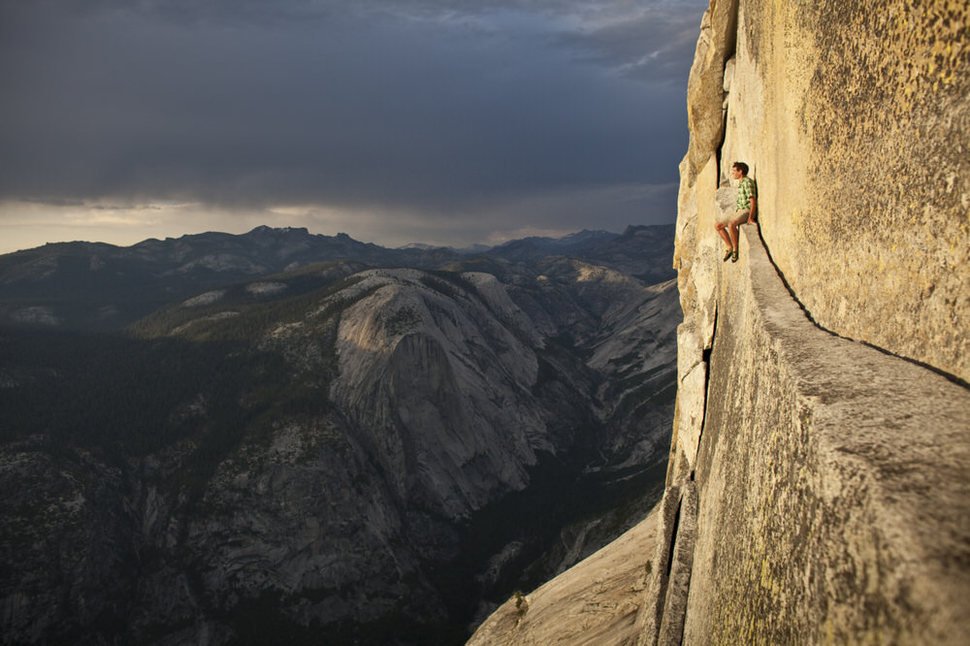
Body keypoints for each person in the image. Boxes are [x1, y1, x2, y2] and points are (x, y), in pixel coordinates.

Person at [715, 161, 757, 263]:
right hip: (739, 210)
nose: (733, 173)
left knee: (732, 224)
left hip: (746, 210)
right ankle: (729, 247)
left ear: (740, 171)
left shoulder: (747, 182)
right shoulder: (741, 183)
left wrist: (751, 217)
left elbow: (752, 200)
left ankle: (735, 249)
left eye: (734, 171)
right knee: (718, 225)